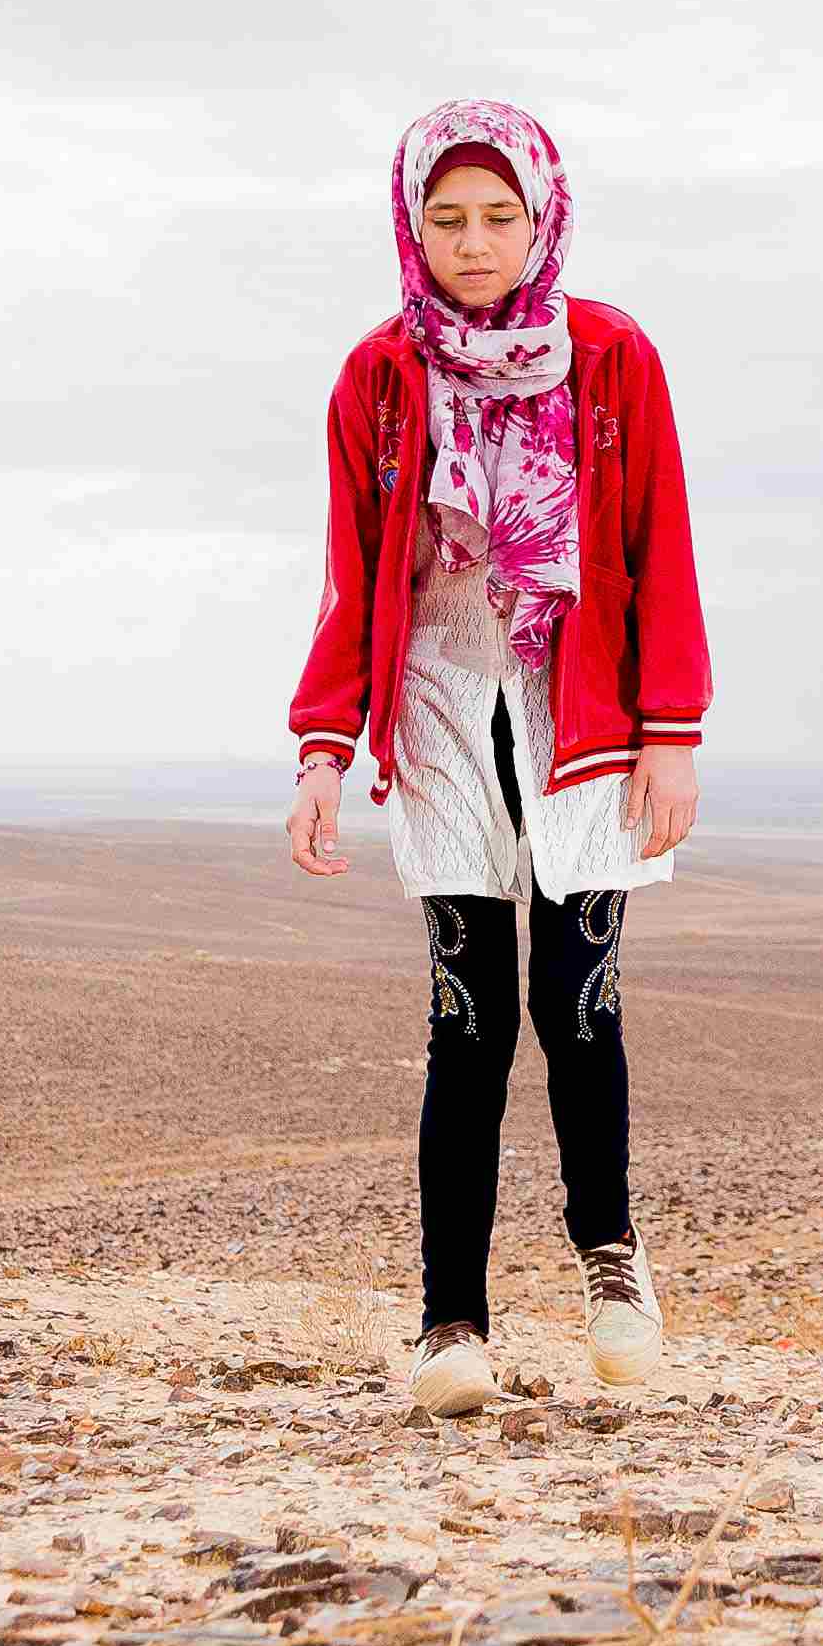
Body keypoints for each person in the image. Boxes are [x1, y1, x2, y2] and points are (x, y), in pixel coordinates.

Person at [285, 100, 710, 1418]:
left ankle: (609, 1260)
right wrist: (322, 749)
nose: (473, 243)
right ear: (411, 224)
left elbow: (660, 546)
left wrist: (672, 733)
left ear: (543, 217)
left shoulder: (614, 356)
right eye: (446, 218)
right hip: (439, 704)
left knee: (578, 998)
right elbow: (356, 579)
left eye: (499, 216)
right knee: (465, 1020)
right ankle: (450, 1321)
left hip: (582, 706)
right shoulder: (379, 376)